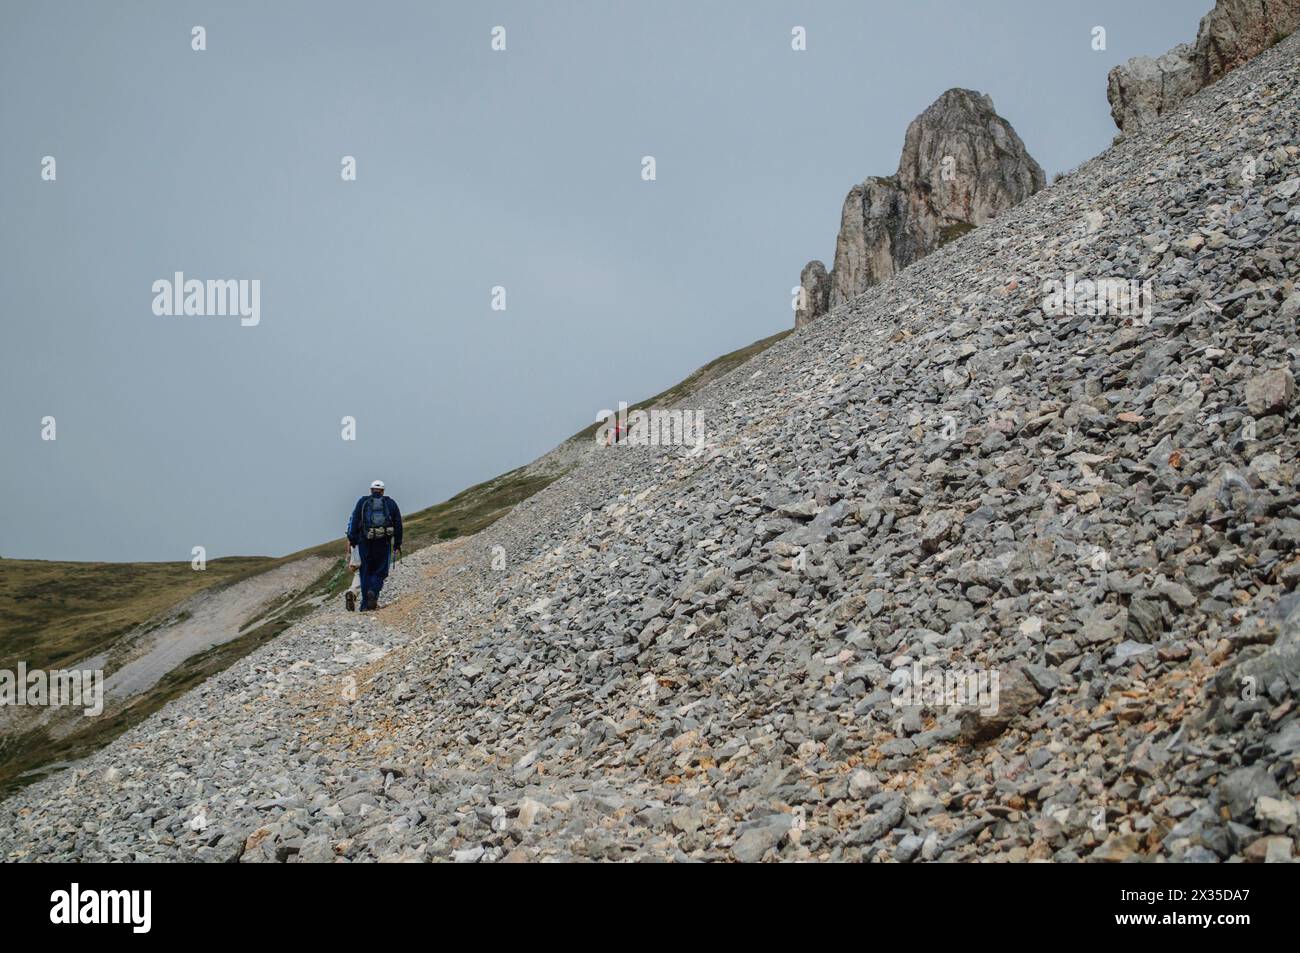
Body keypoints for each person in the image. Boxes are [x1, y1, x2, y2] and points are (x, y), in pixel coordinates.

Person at [347, 480, 403, 611]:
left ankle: (365, 605)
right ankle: (373, 592)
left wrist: (353, 539)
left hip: (365, 542)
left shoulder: (362, 502)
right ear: (383, 491)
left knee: (365, 571)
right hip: (384, 542)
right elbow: (398, 524)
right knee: (380, 572)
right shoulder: (390, 503)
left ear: (370, 490)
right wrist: (397, 544)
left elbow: (355, 520)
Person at [343, 513, 362, 612]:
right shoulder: (370, 514)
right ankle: (370, 599)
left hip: (355, 548)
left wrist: (349, 554)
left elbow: (349, 538)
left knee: (358, 573)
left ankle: (352, 591)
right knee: (371, 573)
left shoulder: (354, 517)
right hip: (368, 547)